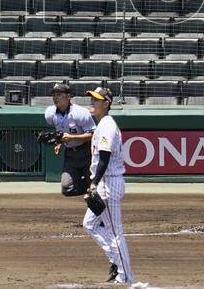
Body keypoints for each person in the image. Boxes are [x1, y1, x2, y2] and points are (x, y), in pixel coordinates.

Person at [82, 87, 133, 285]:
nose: (92, 102)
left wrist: (94, 183)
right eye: (92, 99)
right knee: (90, 224)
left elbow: (104, 156)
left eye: (96, 100)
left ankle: (125, 276)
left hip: (108, 183)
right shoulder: (102, 124)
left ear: (106, 104)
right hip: (105, 181)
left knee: (114, 231)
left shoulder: (107, 125)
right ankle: (116, 260)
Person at [43, 83, 96, 197]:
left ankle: (89, 184)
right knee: (67, 188)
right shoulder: (50, 113)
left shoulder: (80, 113)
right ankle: (86, 184)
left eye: (59, 94)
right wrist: (58, 142)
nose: (55, 97)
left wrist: (72, 137)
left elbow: (93, 135)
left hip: (86, 152)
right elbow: (60, 130)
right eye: (53, 95)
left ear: (68, 96)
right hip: (70, 155)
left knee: (96, 188)